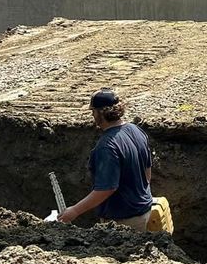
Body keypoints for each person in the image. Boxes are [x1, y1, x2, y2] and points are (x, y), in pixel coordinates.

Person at [58, 88, 154, 232]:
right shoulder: (135, 130)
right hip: (144, 211)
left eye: (93, 111)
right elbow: (147, 172)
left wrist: (74, 211)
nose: (92, 115)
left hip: (124, 220)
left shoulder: (107, 146)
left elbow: (106, 188)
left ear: (101, 113)